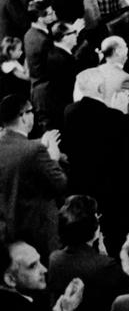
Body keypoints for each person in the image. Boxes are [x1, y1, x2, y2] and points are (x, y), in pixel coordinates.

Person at [0, 96, 67, 256]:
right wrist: (53, 158)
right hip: (39, 233)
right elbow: (60, 183)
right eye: (31, 112)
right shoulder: (35, 150)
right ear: (23, 116)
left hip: (8, 231)